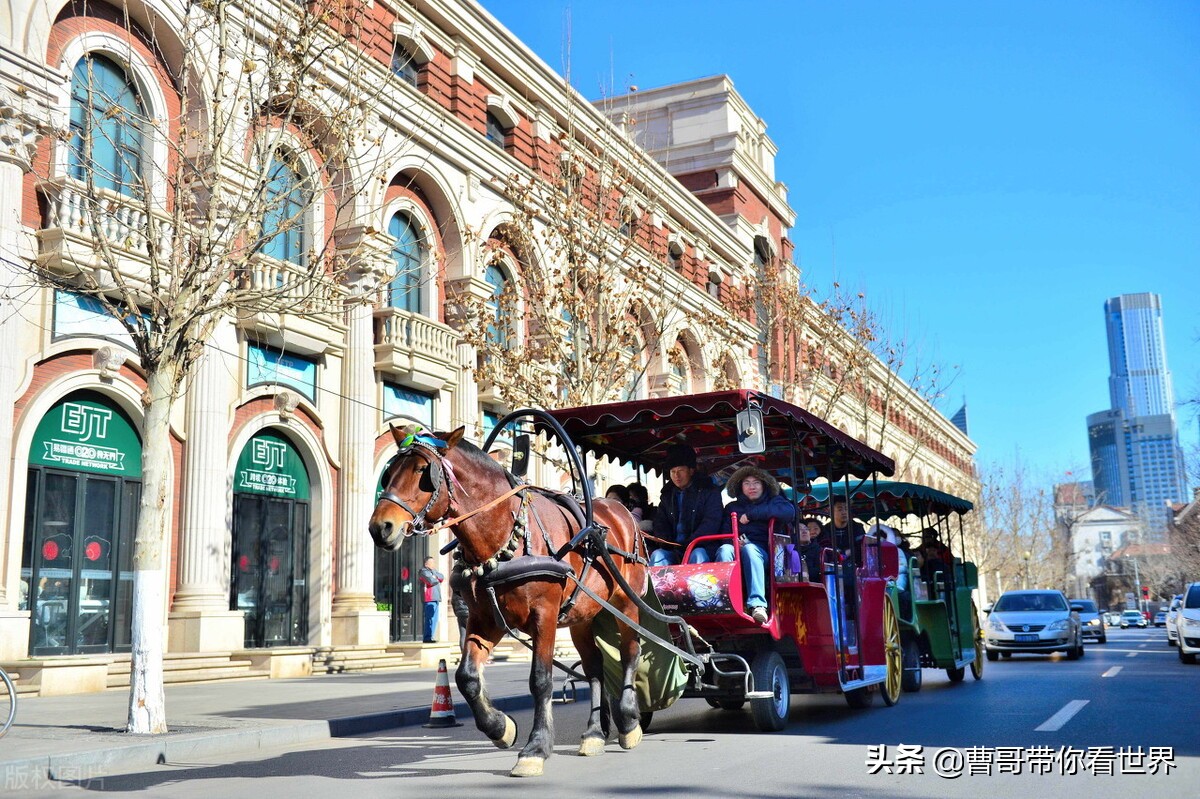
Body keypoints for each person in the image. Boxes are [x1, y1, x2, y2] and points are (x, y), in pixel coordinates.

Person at [715, 466, 796, 624]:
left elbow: (788, 512)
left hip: (766, 553)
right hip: (736, 549)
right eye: (747, 483)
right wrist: (733, 543)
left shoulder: (775, 501)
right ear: (740, 487)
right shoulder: (732, 507)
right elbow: (724, 532)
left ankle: (757, 604)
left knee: (750, 550)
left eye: (756, 482)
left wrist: (752, 515)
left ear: (764, 484)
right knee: (724, 550)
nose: (752, 487)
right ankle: (725, 600)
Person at [649, 443, 723, 566]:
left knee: (697, 554)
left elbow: (712, 521)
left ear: (691, 470)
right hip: (673, 549)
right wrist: (665, 540)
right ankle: (655, 586)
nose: (676, 475)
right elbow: (660, 521)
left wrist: (691, 542)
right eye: (673, 471)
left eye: (680, 470)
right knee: (658, 555)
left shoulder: (709, 491)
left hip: (701, 547)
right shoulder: (667, 495)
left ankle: (697, 586)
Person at [419, 556, 445, 643]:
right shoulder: (423, 572)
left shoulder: (433, 571)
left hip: (436, 598)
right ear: (426, 564)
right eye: (432, 562)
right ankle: (427, 637)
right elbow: (430, 581)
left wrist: (434, 576)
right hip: (429, 598)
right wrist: (435, 577)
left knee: (435, 619)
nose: (434, 564)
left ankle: (431, 636)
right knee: (429, 618)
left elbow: (441, 577)